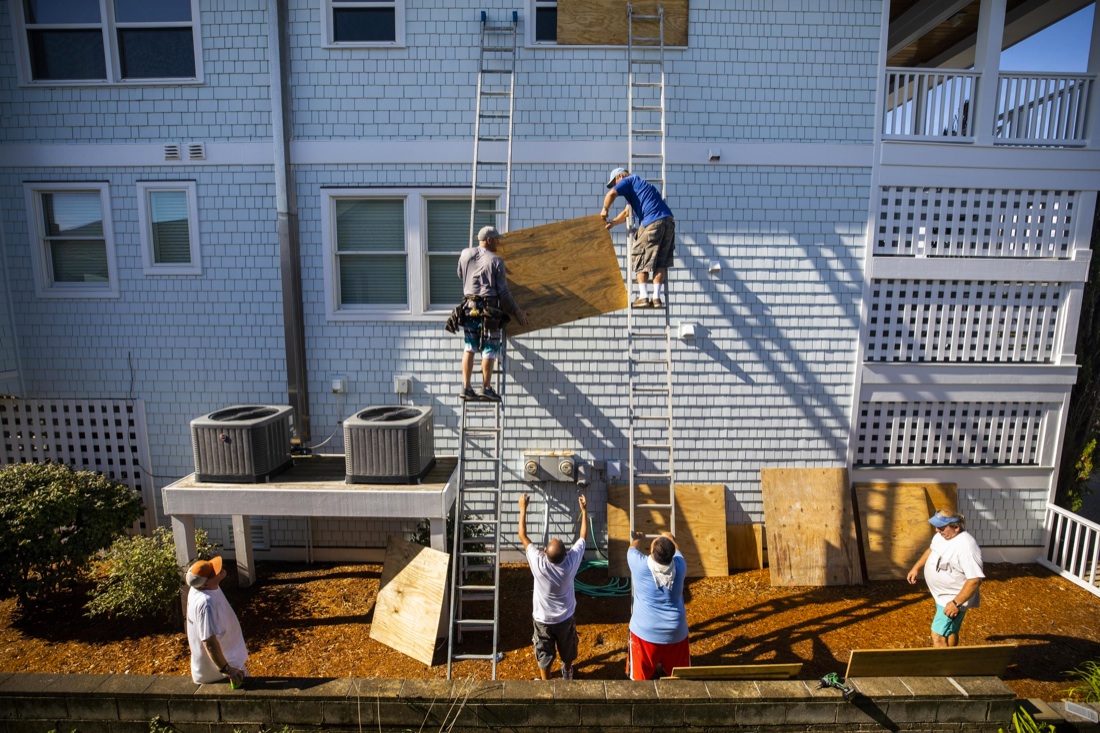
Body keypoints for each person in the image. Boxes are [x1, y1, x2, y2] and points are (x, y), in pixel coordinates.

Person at [517, 492, 588, 680]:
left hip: (543, 620)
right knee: (568, 648)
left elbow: (522, 535)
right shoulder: (570, 563)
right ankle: (567, 670)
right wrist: (584, 510)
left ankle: (546, 682)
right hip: (565, 618)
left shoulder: (539, 563)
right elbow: (583, 537)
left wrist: (523, 508)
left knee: (544, 652)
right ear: (566, 555)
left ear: (545, 554)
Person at [456, 225, 528, 402]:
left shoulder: (465, 254)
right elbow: (503, 292)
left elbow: (460, 274)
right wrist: (516, 310)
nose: (498, 243)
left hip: (468, 307)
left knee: (470, 347)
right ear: (489, 240)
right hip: (489, 310)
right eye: (496, 239)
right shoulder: (496, 261)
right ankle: (486, 388)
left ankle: (466, 387)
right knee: (489, 348)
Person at [906, 509, 985, 648]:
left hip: (953, 598)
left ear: (956, 527)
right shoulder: (942, 536)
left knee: (937, 634)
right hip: (941, 596)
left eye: (941, 527)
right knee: (950, 630)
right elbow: (931, 550)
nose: (937, 530)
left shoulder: (966, 547)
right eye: (936, 526)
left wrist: (955, 603)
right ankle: (952, 664)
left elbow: (975, 580)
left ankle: (942, 668)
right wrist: (916, 567)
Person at [599, 167, 675, 309]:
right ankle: (657, 298)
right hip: (668, 221)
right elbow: (627, 212)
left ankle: (644, 296)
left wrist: (605, 209)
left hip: (652, 222)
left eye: (615, 182)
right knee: (660, 263)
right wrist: (613, 223)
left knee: (639, 256)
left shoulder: (628, 180)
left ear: (620, 176)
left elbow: (612, 194)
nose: (615, 185)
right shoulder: (640, 187)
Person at [627, 529, 689, 680]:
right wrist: (669, 537)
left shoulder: (640, 565)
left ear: (652, 552)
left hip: (645, 633)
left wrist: (638, 538)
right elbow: (678, 550)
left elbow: (631, 549)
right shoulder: (680, 566)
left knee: (639, 682)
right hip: (676, 633)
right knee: (680, 680)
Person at [185, 556, 248, 686]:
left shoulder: (200, 587)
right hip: (219, 673)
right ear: (205, 584)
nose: (219, 569)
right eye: (213, 572)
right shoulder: (206, 603)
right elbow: (209, 642)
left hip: (226, 662)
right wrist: (228, 670)